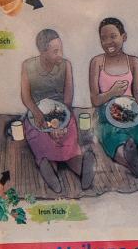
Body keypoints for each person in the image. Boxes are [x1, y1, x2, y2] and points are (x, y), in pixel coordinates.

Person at [16, 28, 91, 196]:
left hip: (62, 114)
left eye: (61, 49)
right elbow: (26, 97)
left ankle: (81, 166)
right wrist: (39, 116)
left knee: (69, 145)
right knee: (43, 141)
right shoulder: (28, 66)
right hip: (38, 116)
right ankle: (48, 168)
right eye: (55, 51)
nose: (60, 54)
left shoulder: (66, 65)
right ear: (43, 52)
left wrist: (62, 123)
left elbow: (68, 98)